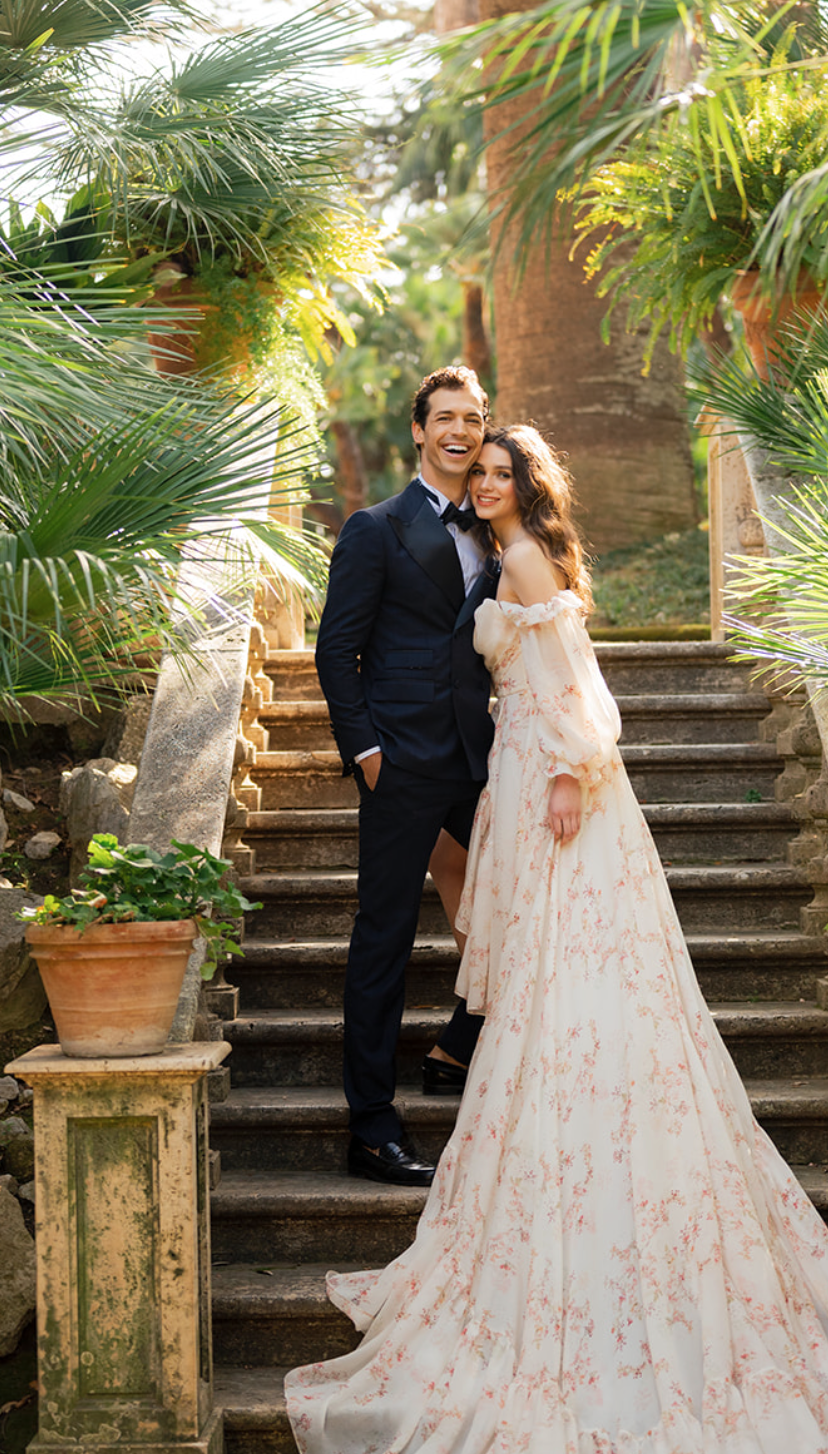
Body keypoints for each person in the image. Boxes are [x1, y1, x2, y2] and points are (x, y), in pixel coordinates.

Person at [287, 423, 828, 1454]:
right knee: (546, 1002)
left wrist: (569, 774)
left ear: (525, 484)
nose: (486, 478)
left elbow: (579, 695)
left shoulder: (523, 563)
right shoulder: (496, 552)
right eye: (480, 468)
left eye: (503, 470)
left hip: (561, 798)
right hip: (514, 781)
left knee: (576, 999)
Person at [315, 367, 500, 1187]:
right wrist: (366, 753)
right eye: (446, 419)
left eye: (474, 418)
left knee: (527, 901)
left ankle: (462, 1040)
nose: (460, 431)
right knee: (383, 938)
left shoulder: (495, 526)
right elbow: (336, 649)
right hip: (401, 761)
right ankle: (372, 1124)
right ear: (419, 432)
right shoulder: (375, 528)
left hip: (484, 757)